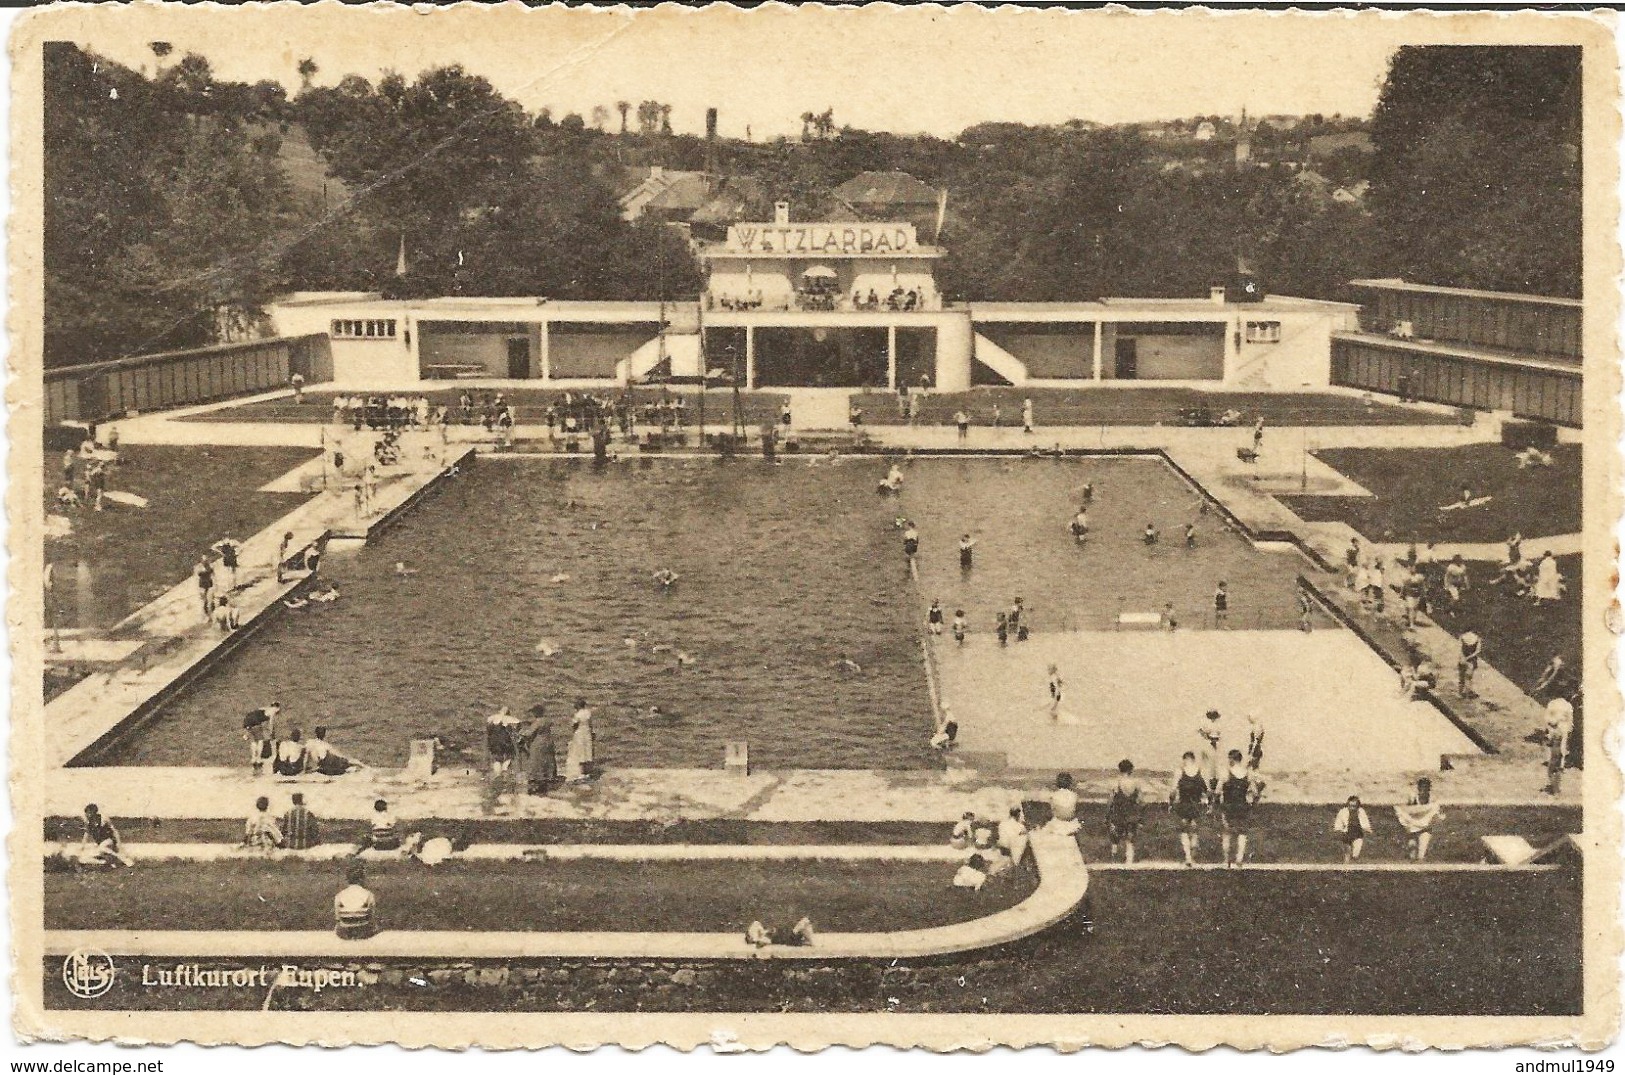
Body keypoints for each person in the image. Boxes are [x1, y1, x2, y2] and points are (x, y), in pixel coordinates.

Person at [1217, 750, 1260, 867]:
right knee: (1242, 833)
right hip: (1242, 806)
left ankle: (1226, 861)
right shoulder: (1248, 773)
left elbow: (1217, 791)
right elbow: (1255, 793)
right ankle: (1239, 859)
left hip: (1228, 806)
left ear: (1231, 759)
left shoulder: (1226, 773)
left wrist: (1217, 803)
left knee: (1227, 833)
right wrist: (1252, 804)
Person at [1170, 752, 1209, 867]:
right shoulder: (1199, 771)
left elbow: (1173, 790)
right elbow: (1206, 789)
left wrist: (1171, 802)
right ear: (1193, 759)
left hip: (1184, 803)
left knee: (1184, 831)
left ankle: (1188, 857)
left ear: (1185, 759)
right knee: (1194, 830)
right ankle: (1193, 856)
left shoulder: (1180, 771)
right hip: (1196, 804)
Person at [1394, 778, 1441, 861]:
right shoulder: (1412, 797)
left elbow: (1435, 812)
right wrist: (1408, 821)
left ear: (1429, 789)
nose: (1423, 790)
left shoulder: (1433, 799)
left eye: (1426, 788)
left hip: (1425, 826)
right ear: (1418, 788)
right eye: (1422, 788)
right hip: (1412, 825)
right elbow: (1403, 809)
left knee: (1421, 855)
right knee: (1412, 854)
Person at [1106, 760, 1144, 863]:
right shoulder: (1136, 783)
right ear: (1131, 770)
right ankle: (1129, 861)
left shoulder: (1116, 783)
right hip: (1132, 812)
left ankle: (1114, 859)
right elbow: (1140, 800)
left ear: (1120, 769)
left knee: (1115, 838)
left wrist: (1108, 813)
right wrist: (1140, 815)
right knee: (1130, 837)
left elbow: (1110, 800)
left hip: (1119, 812)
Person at [516, 706, 559, 795]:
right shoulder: (547, 720)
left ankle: (537, 782)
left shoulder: (538, 722)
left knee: (536, 761)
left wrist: (520, 732)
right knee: (547, 761)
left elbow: (529, 733)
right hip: (548, 741)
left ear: (536, 713)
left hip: (539, 743)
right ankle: (547, 778)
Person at [334, 862, 378, 940]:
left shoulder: (339, 895)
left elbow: (338, 918)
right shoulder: (368, 894)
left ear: (347, 879)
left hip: (345, 930)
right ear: (361, 879)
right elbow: (371, 917)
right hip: (362, 928)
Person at [1544, 694, 1575, 795]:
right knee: (1555, 758)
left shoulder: (1565, 705)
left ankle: (1555, 786)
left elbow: (1570, 722)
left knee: (1558, 758)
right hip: (1556, 733)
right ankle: (1555, 786)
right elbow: (1548, 720)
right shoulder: (1557, 704)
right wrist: (1554, 724)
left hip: (1561, 732)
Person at [241, 702, 281, 777]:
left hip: (248, 719)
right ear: (276, 708)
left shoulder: (265, 708)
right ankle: (258, 758)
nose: (277, 712)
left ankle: (253, 757)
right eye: (278, 710)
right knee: (260, 741)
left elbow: (256, 712)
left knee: (253, 741)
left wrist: (247, 731)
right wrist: (271, 733)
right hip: (255, 721)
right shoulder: (272, 712)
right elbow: (271, 724)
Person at [1333, 796, 1372, 861]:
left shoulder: (1361, 812)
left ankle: (1354, 863)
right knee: (1347, 854)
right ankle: (1346, 869)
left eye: (1354, 806)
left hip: (1357, 834)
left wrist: (1367, 828)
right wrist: (1338, 830)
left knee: (1355, 854)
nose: (1352, 808)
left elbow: (1365, 822)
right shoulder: (1343, 812)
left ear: (1358, 806)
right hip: (1347, 834)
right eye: (1350, 806)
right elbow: (1338, 823)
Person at [566, 698, 596, 782]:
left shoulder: (578, 714)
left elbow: (574, 724)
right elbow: (590, 724)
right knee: (587, 751)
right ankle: (588, 772)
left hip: (580, 734)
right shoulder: (588, 713)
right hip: (587, 733)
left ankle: (582, 773)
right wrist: (592, 732)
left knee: (580, 752)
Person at [1196, 709, 1225, 789]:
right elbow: (1201, 731)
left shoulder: (1216, 724)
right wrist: (1205, 735)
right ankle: (1208, 783)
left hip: (1215, 743)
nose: (1213, 718)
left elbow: (1217, 734)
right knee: (1209, 765)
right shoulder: (1208, 723)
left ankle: (1212, 783)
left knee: (1215, 765)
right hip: (1209, 742)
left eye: (1214, 716)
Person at [1457, 631, 1483, 699]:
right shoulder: (1477, 639)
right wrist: (1468, 657)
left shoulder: (1462, 637)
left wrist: (1463, 657)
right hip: (1471, 661)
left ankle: (1460, 693)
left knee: (1461, 677)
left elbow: (1459, 649)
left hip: (1462, 660)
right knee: (1469, 678)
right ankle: (1467, 693)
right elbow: (1477, 651)